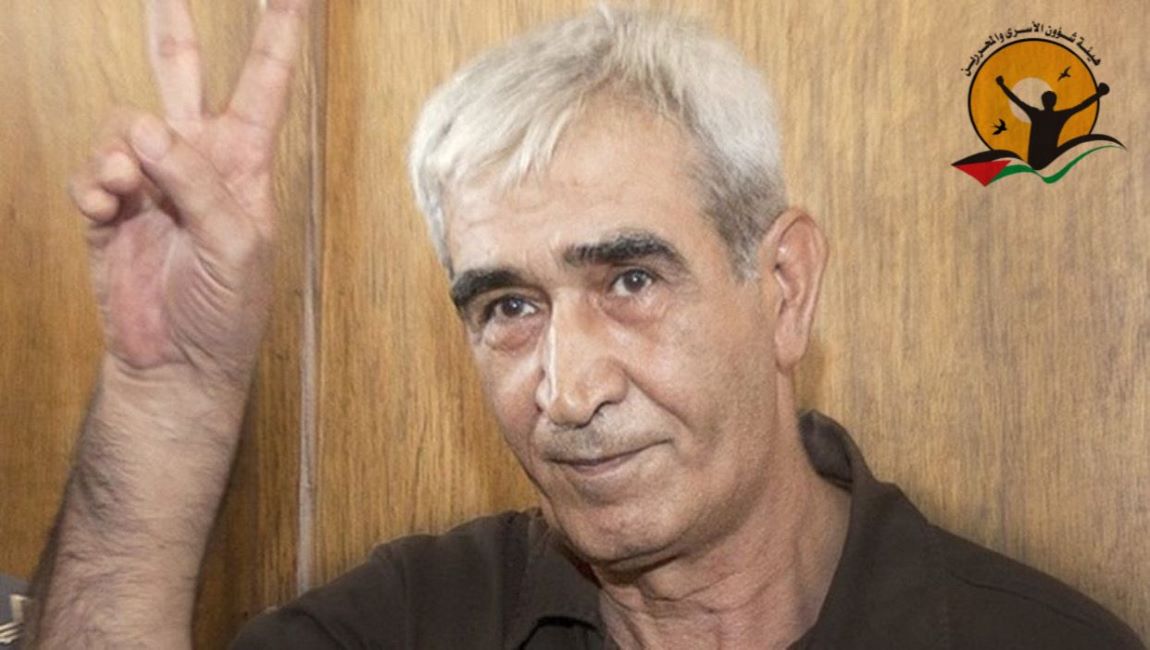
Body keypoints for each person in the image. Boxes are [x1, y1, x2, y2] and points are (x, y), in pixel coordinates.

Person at [26, 2, 1144, 649]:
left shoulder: (1036, 642)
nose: (566, 389)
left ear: (783, 286)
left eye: (630, 279)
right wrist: (166, 389)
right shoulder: (414, 623)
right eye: (508, 306)